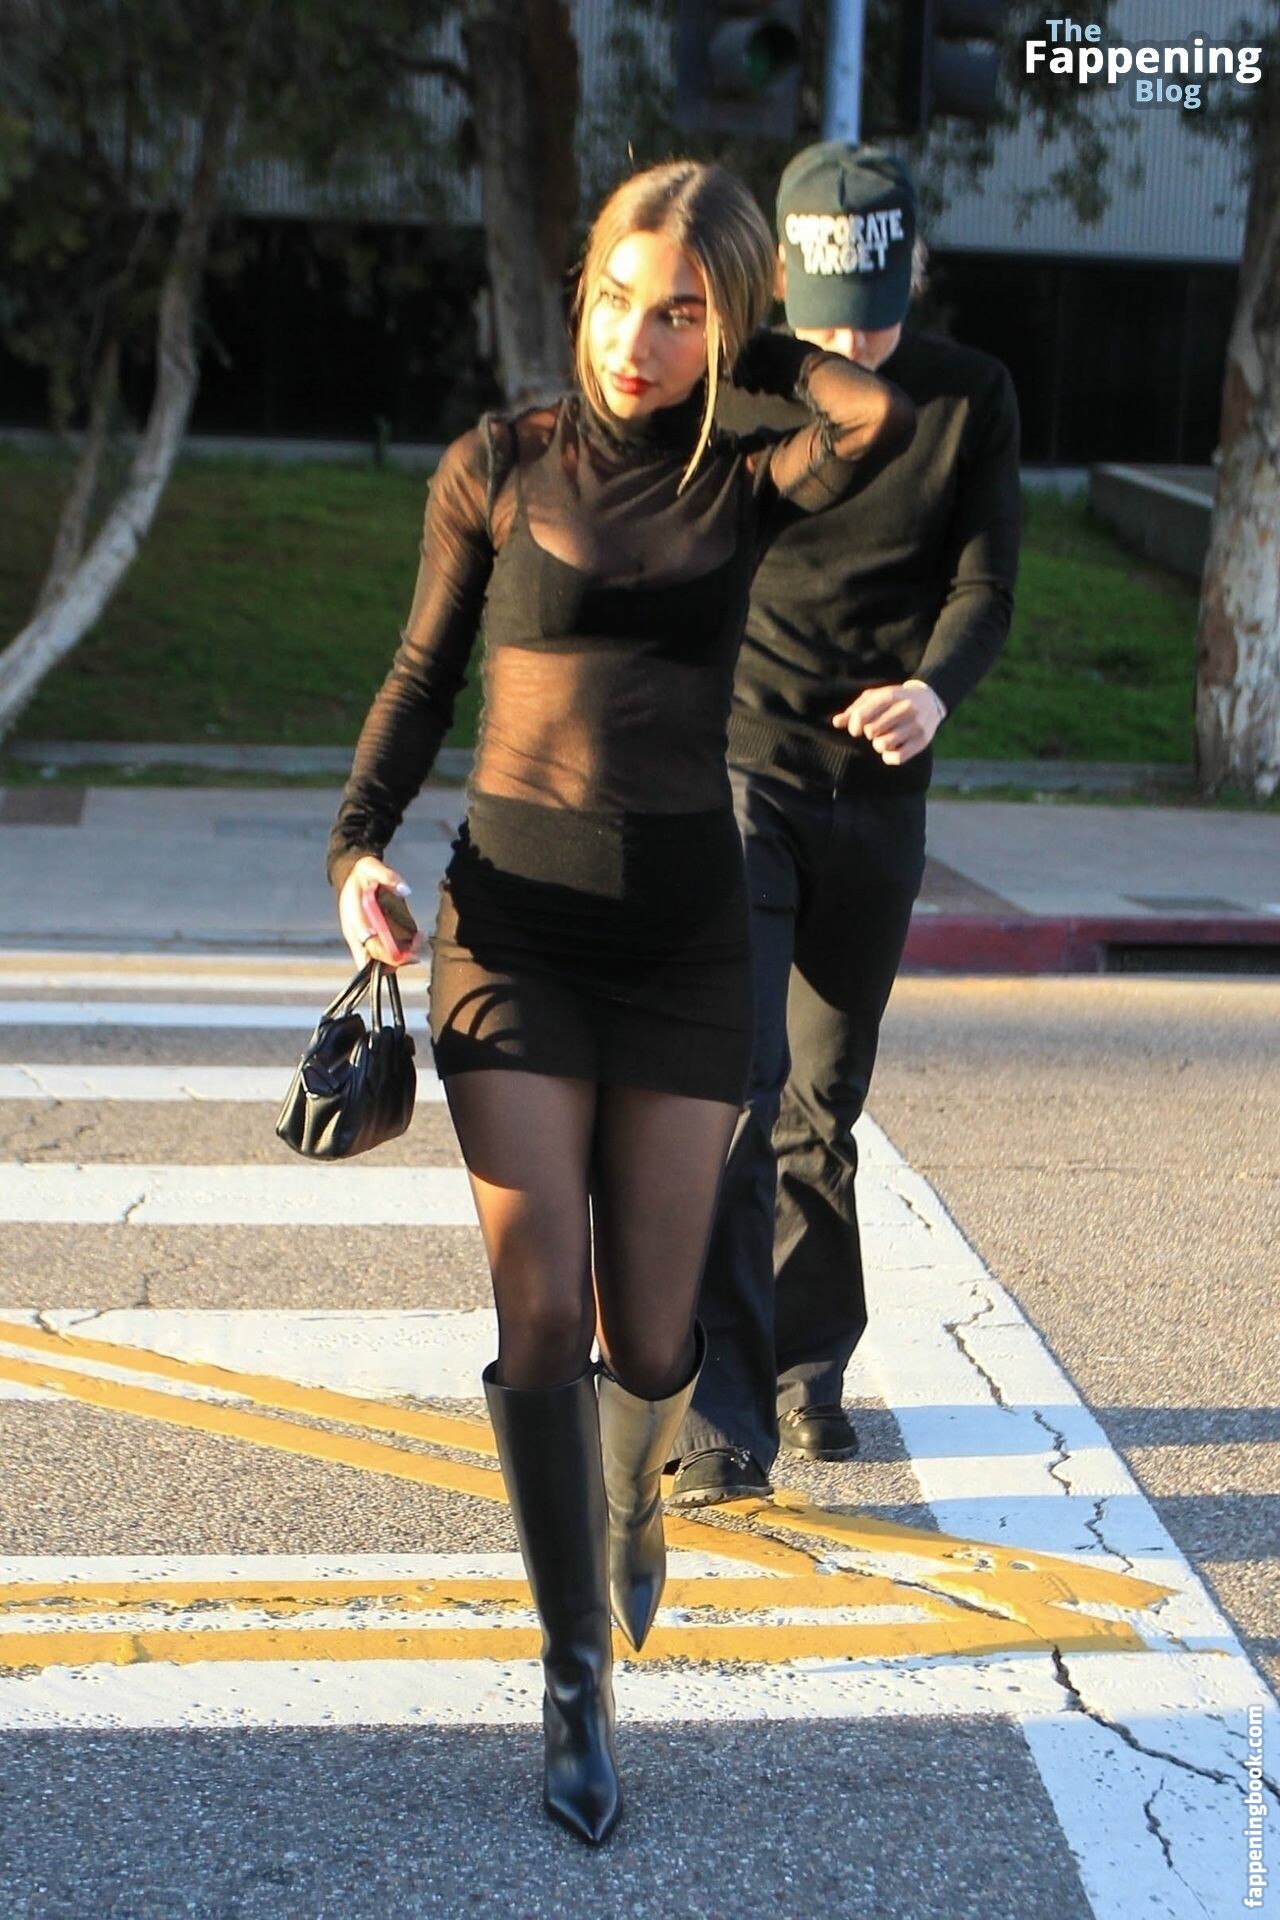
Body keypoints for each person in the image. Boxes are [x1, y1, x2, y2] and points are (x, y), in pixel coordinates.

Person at [325, 159, 915, 1846]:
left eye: (679, 315)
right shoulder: (498, 464)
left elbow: (873, 416)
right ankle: (574, 1671)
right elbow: (423, 674)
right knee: (543, 1311)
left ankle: (634, 1494)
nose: (636, 342)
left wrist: (762, 342)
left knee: (652, 1339)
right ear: (578, 293)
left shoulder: (746, 479)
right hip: (509, 931)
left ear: (723, 329)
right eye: (617, 301)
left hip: (681, 944)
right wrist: (357, 845)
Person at [670, 143, 1021, 1509]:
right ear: (782, 281)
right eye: (832, 316)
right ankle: (719, 1415)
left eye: (876, 313)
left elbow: (986, 583)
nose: (855, 341)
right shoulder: (738, 386)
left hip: (878, 796)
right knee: (738, 1090)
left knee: (824, 1098)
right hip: (744, 771)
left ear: (911, 272)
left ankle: (810, 1365)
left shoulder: (969, 396)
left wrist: (934, 691)